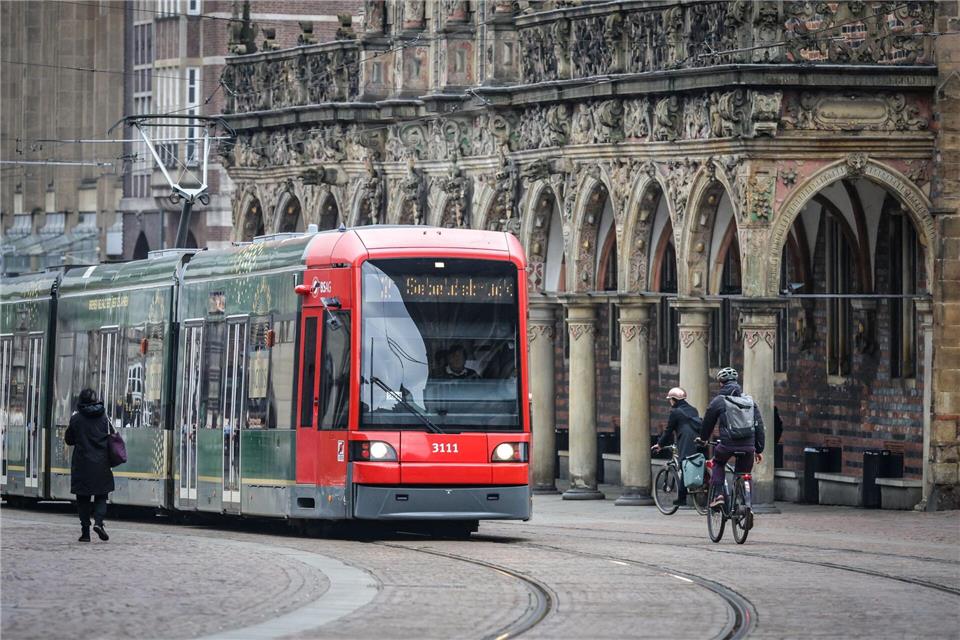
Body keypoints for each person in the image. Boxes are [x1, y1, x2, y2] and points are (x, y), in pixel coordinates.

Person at [700, 367, 765, 510]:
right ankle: (745, 505)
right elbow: (759, 426)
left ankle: (719, 496)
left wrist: (703, 438)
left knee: (718, 463)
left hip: (727, 445)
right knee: (744, 473)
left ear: (721, 384)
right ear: (736, 382)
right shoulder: (749, 401)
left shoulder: (719, 401)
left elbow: (707, 423)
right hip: (748, 446)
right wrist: (758, 449)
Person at [64, 389, 115, 542]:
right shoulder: (104, 418)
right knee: (101, 495)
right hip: (101, 463)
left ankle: (85, 533)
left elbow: (69, 440)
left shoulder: (76, 419)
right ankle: (99, 523)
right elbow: (112, 436)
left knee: (83, 499)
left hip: (82, 464)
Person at [652, 387, 702, 506]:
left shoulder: (675, 412)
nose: (670, 402)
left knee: (685, 465)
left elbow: (668, 430)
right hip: (698, 439)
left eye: (670, 399)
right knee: (697, 463)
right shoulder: (693, 409)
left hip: (685, 440)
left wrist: (659, 444)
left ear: (673, 400)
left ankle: (682, 498)